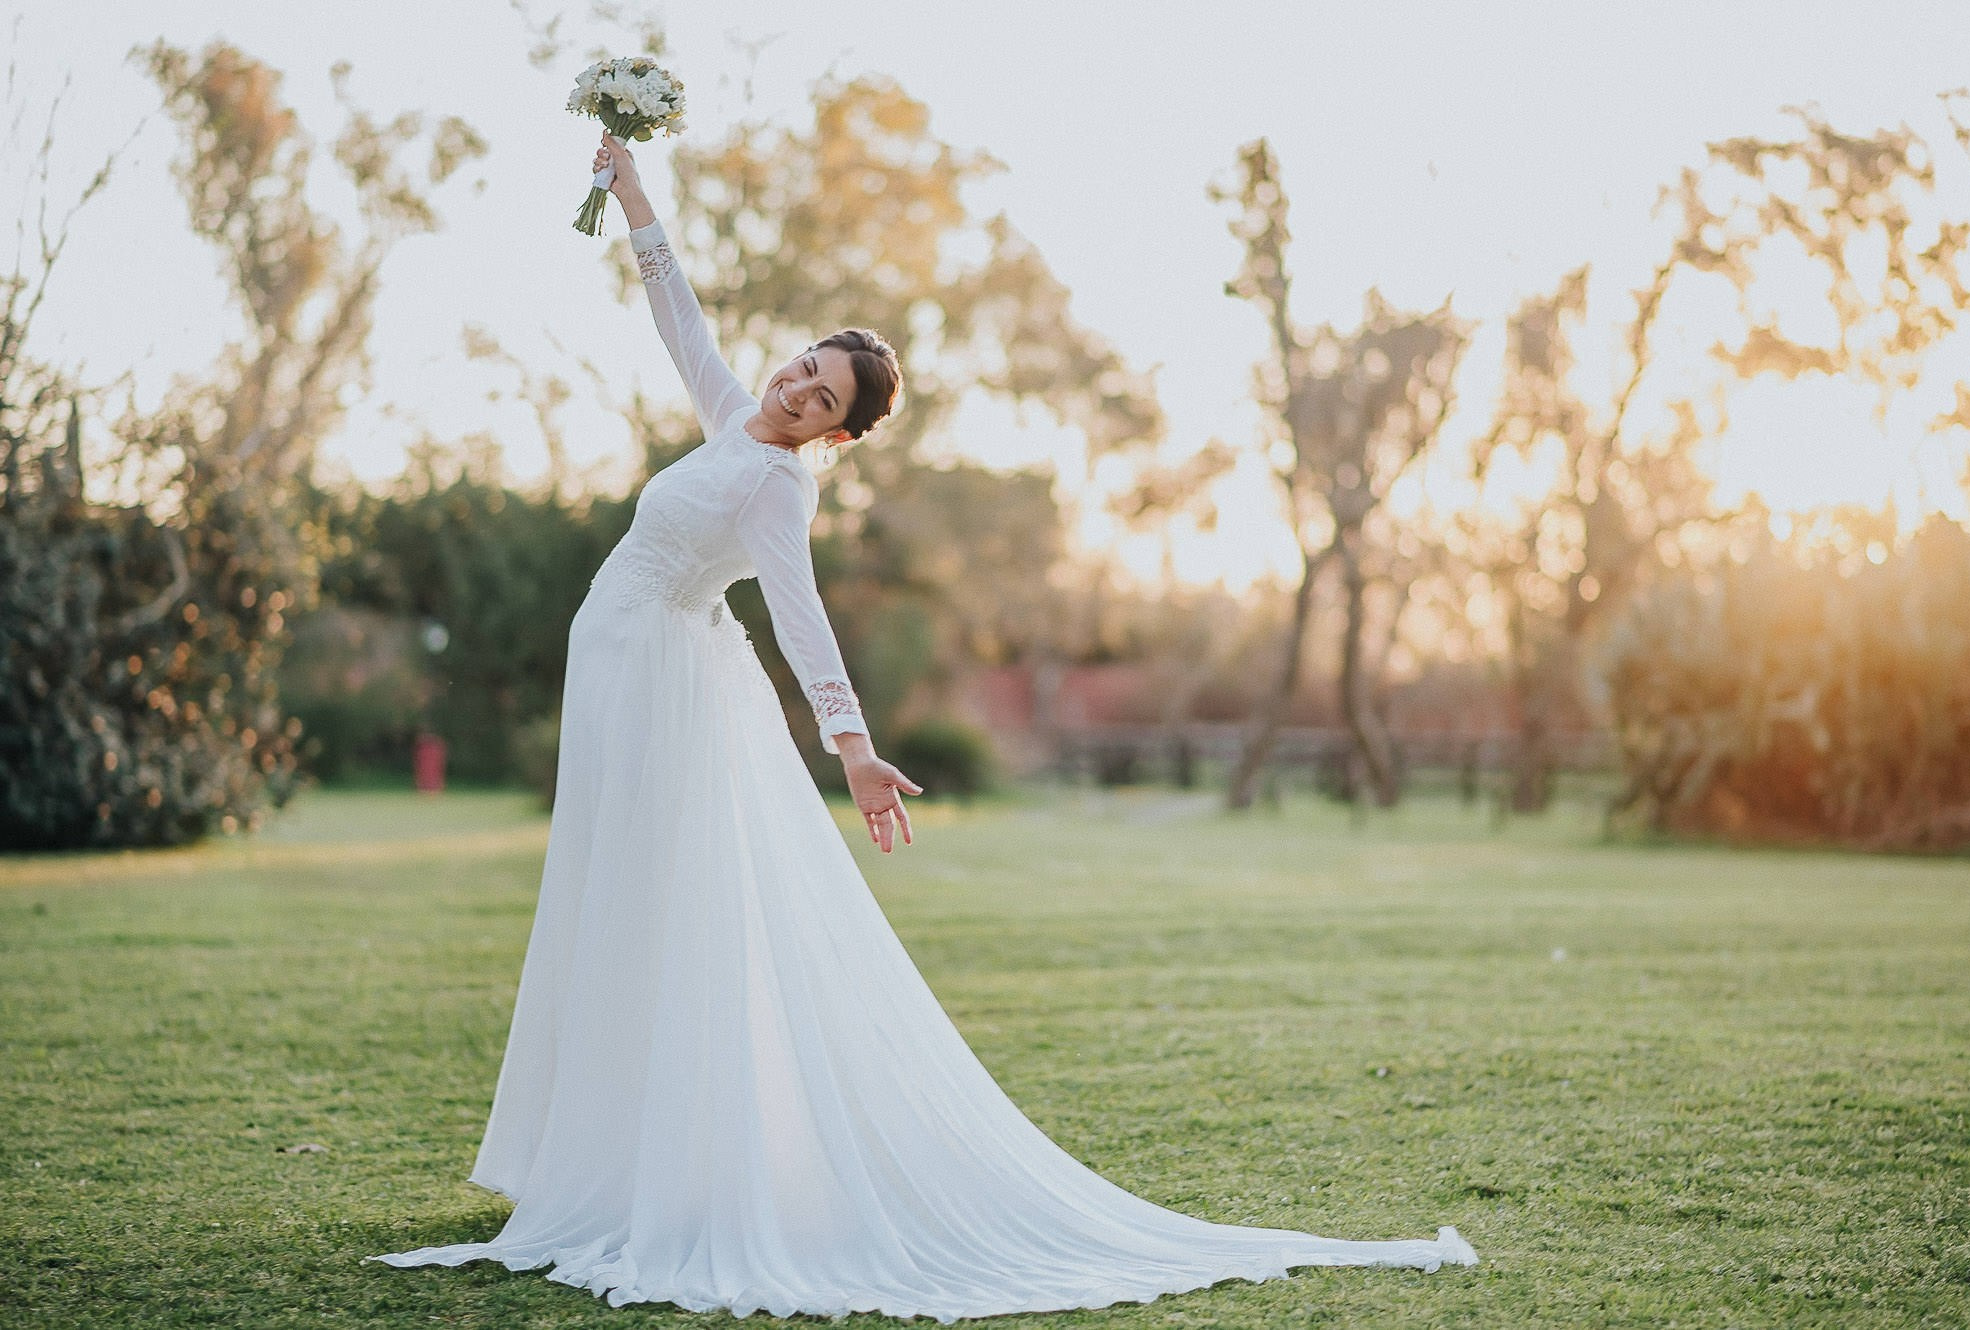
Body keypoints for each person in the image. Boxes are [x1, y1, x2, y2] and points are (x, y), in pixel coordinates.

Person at [373, 131, 1477, 1319]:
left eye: (822, 399)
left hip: (652, 673)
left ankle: (659, 1170)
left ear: (838, 435)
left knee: (645, 895)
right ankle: (601, 1158)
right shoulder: (737, 421)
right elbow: (676, 313)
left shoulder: (775, 483)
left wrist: (849, 746)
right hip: (620, 664)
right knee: (607, 889)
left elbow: (801, 618)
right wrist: (634, 191)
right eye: (803, 367)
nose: (796, 390)